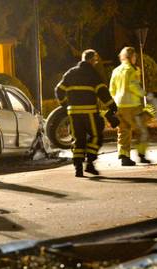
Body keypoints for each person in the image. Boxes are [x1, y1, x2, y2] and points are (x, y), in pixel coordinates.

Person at [55, 49, 118, 178]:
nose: (96, 62)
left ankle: (78, 168)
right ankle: (89, 163)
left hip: (73, 113)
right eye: (95, 60)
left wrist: (64, 104)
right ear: (92, 59)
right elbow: (103, 93)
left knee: (78, 139)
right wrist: (112, 106)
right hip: (89, 111)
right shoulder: (93, 74)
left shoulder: (70, 73)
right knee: (96, 136)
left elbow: (58, 90)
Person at [110, 46, 151, 166]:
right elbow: (134, 86)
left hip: (120, 104)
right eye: (135, 56)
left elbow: (112, 89)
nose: (135, 59)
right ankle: (142, 155)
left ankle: (124, 157)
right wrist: (144, 94)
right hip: (133, 105)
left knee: (123, 131)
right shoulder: (132, 70)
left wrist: (115, 101)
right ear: (131, 57)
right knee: (141, 130)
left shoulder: (116, 70)